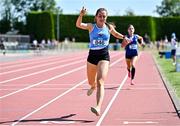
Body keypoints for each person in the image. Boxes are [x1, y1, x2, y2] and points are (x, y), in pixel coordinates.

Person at [76, 7, 129, 116]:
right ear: (96, 17)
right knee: (91, 82)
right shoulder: (91, 26)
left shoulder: (109, 27)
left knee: (101, 81)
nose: (102, 18)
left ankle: (98, 107)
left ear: (106, 17)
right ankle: (93, 86)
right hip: (92, 57)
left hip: (103, 56)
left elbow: (116, 34)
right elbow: (79, 25)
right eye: (100, 16)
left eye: (104, 16)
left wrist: (124, 37)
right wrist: (81, 15)